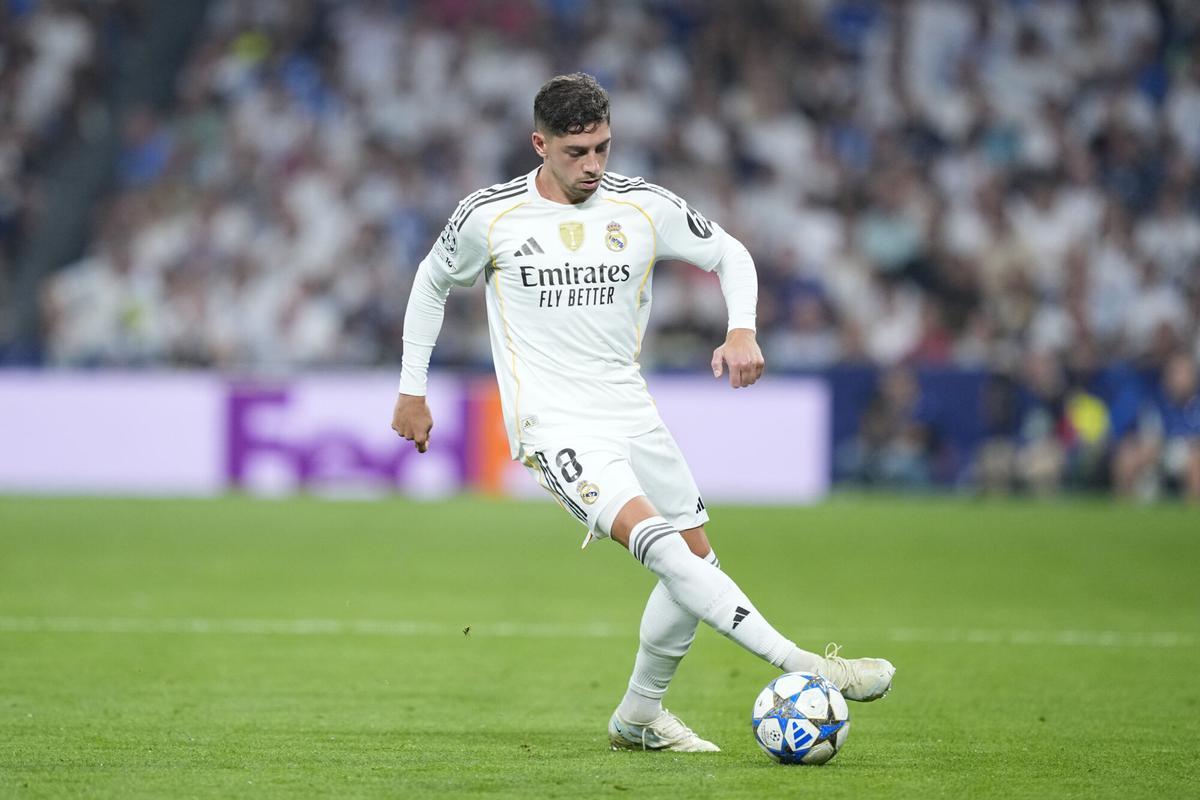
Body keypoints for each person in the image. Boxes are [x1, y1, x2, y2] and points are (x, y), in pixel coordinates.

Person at [391, 73, 895, 752]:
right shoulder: (491, 214)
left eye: (601, 147)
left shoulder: (641, 206)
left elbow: (729, 253)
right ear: (540, 144)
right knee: (661, 548)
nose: (594, 165)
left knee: (695, 562)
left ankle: (637, 717)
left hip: (632, 411)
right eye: (576, 152)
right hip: (554, 424)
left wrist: (741, 328)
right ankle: (805, 664)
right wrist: (412, 388)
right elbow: (431, 281)